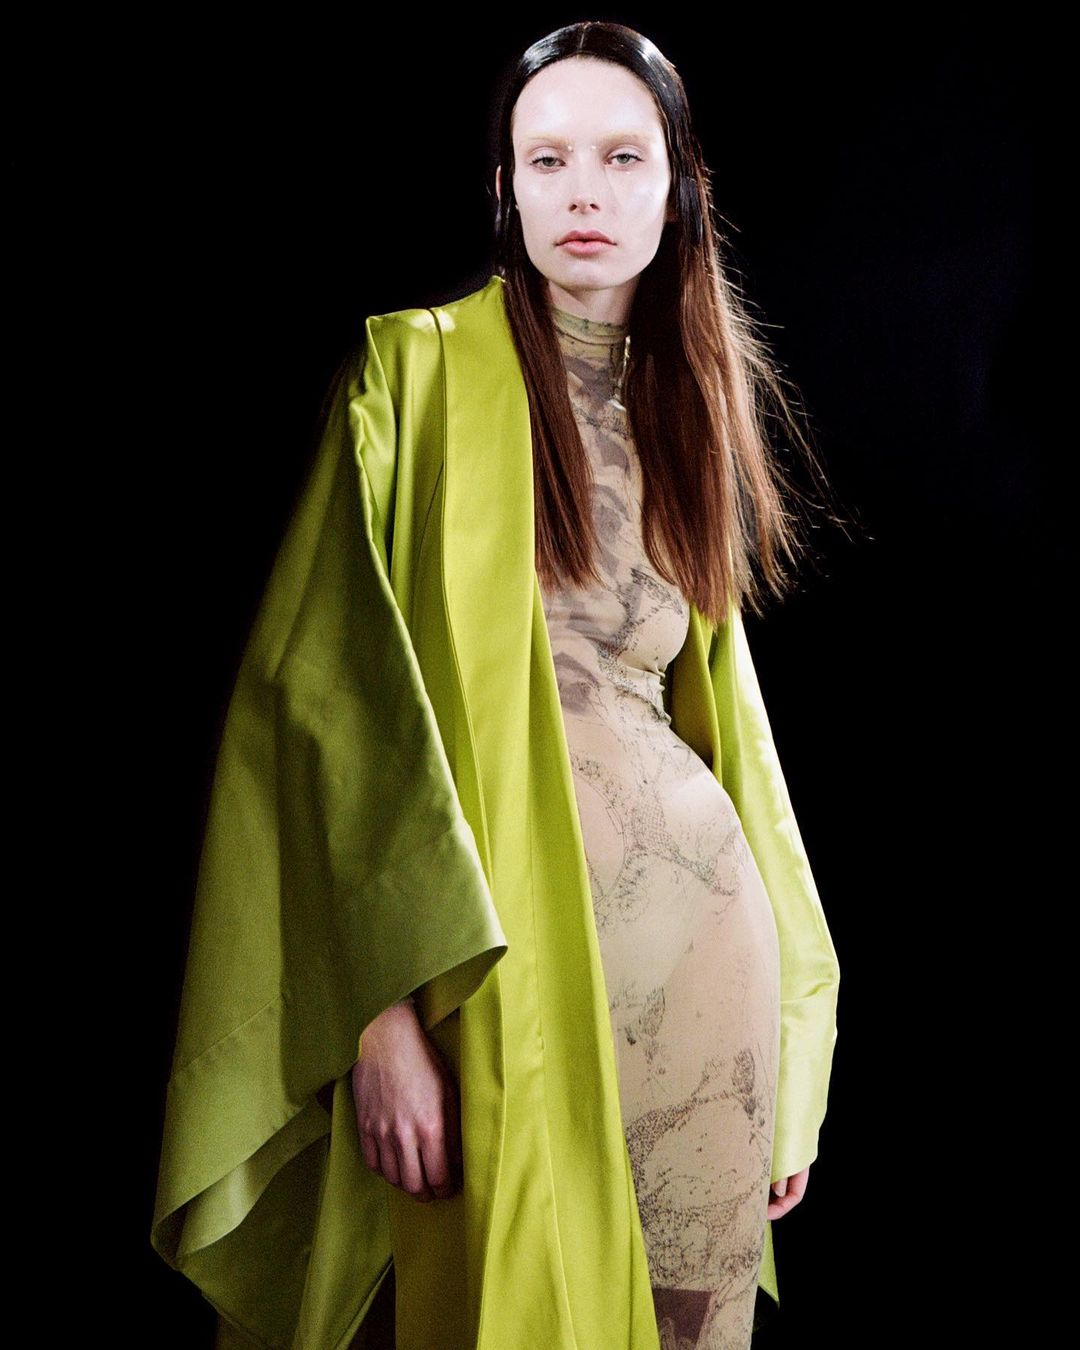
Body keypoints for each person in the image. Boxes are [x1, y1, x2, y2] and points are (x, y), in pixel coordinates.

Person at [152, 21, 841, 1350]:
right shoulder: (413, 375)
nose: (585, 189)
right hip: (488, 986)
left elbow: (730, 741)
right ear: (506, 187)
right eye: (549, 157)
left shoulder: (691, 406)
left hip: (709, 994)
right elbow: (322, 708)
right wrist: (377, 1021)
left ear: (678, 188)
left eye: (623, 157)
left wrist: (793, 1051)